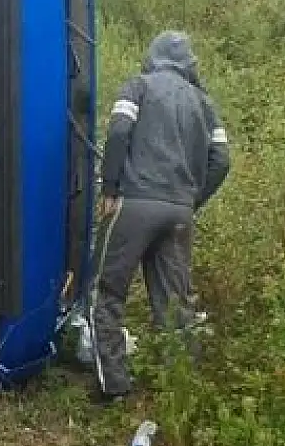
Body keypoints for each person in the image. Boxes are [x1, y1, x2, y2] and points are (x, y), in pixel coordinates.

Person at [90, 30, 230, 402]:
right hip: (180, 210)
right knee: (174, 304)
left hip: (134, 202)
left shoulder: (138, 86)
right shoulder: (203, 102)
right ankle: (181, 392)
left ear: (152, 57)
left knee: (106, 292)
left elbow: (120, 130)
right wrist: (192, 199)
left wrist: (110, 187)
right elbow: (222, 159)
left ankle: (115, 389)